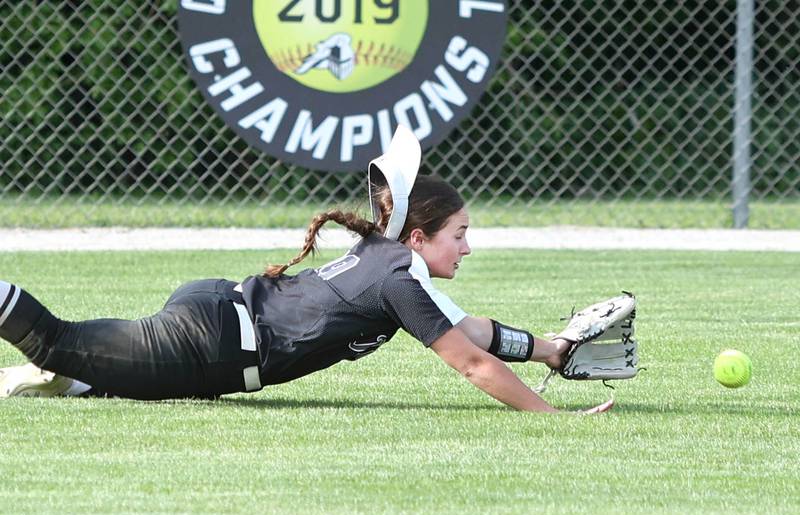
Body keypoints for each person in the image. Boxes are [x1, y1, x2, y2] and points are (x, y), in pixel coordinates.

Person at [0, 127, 613, 414]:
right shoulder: (399, 278)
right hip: (211, 342)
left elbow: (474, 332)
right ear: (420, 236)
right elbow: (474, 363)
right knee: (58, 339)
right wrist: (553, 418)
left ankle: (73, 379)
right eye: (460, 235)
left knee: (93, 373)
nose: (468, 248)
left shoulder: (393, 262)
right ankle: (66, 367)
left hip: (218, 324)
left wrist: (552, 350)